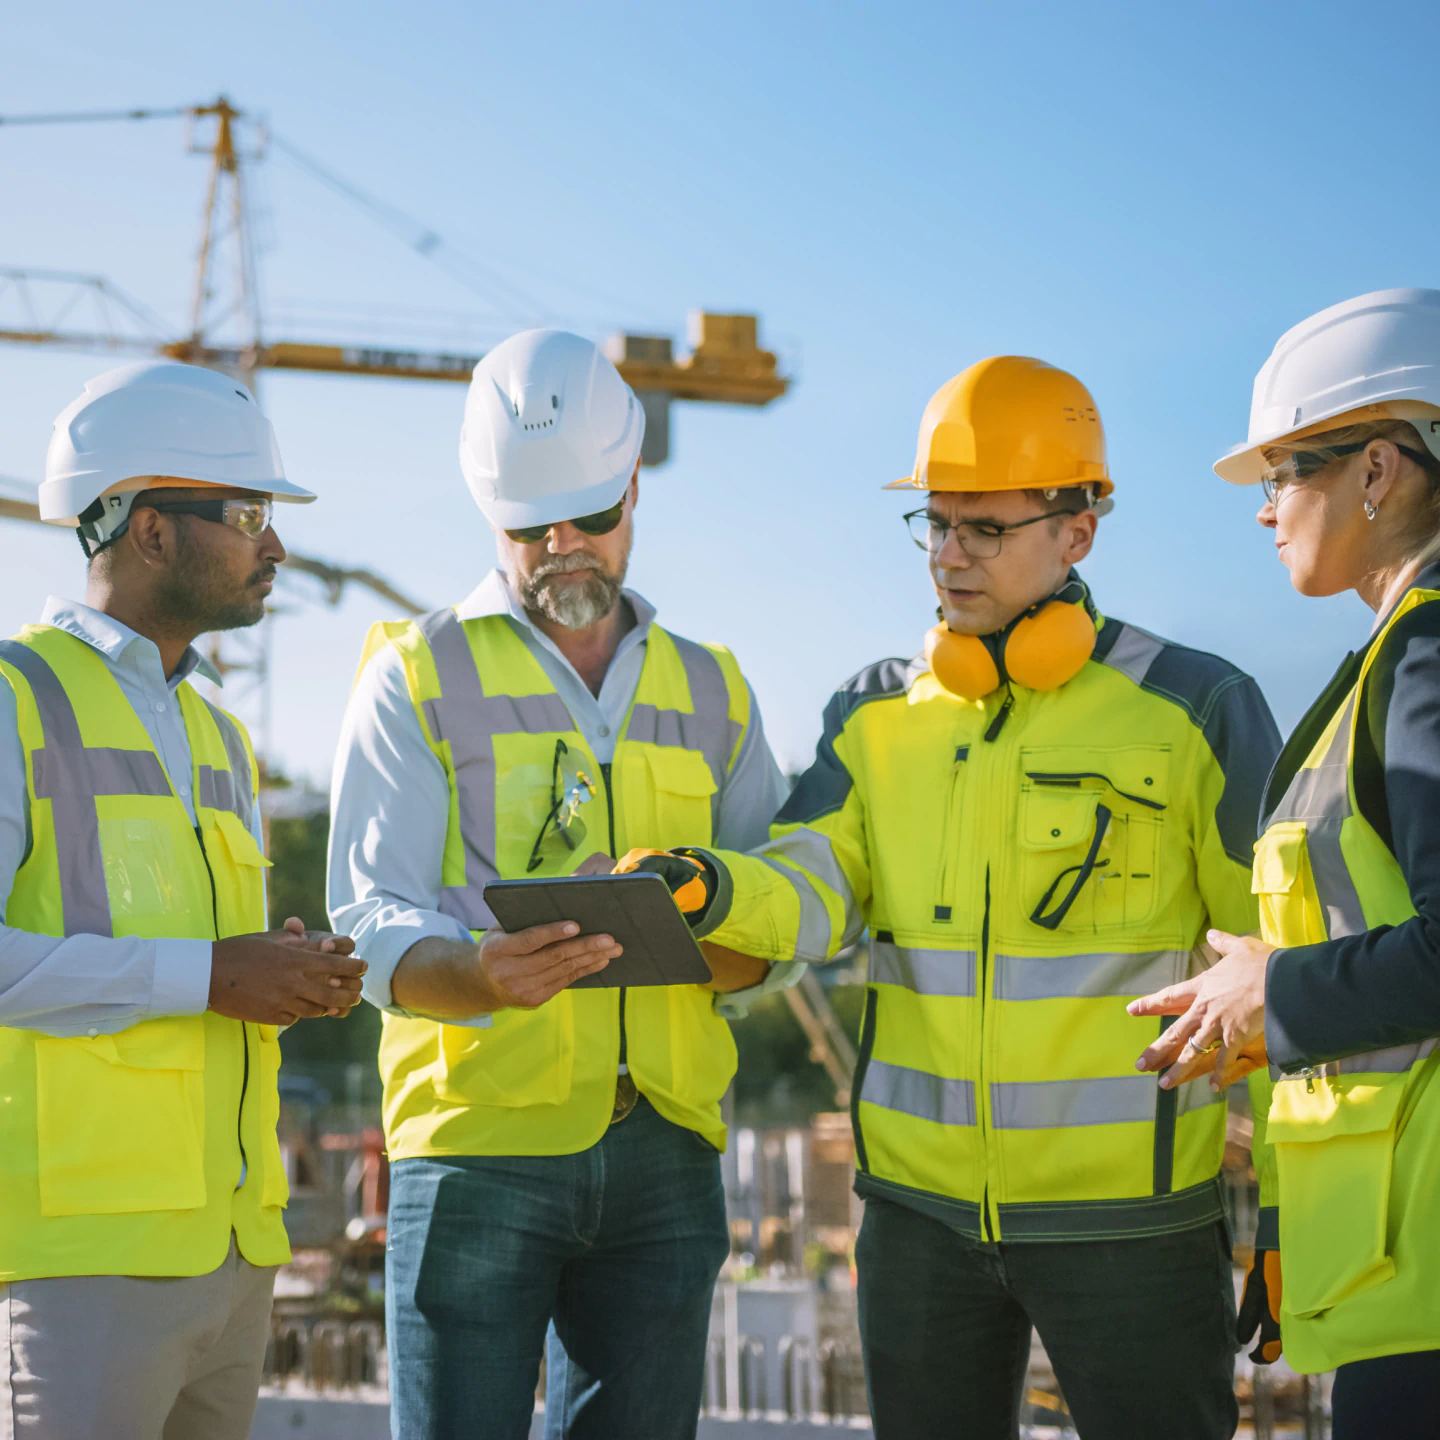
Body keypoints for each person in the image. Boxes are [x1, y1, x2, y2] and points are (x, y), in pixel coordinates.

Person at [636, 355, 1282, 1439]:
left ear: (1079, 531)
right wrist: (706, 887)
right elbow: (813, 883)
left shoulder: (1194, 707)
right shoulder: (874, 715)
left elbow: (1275, 963)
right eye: (936, 524)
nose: (948, 554)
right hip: (918, 1224)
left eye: (985, 528)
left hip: (1130, 1225)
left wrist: (1286, 1212)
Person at [327, 328, 790, 1440]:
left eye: (589, 516)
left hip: (666, 1148)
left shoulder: (713, 687)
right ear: (491, 513)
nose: (563, 547)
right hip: (478, 1145)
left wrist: (716, 920)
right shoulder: (415, 676)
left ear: (635, 485)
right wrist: (474, 971)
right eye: (533, 528)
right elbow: (369, 913)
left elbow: (781, 894)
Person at [0, 360, 365, 1440]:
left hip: (234, 1257)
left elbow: (201, 962)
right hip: (82, 1268)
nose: (277, 547)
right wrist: (210, 975)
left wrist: (280, 971)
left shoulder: (220, 733)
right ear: (152, 530)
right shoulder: (16, 698)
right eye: (250, 513)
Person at [1130, 287, 1440, 1436]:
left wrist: (1276, 987)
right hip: (1396, 1263)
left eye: (1284, 474)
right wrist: (1265, 1006)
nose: (1264, 512)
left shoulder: (1428, 654)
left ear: (1378, 470)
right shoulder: (1396, 656)